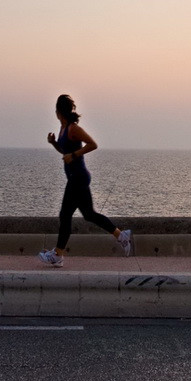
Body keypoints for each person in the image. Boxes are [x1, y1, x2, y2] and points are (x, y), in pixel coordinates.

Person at [38, 94, 131, 266]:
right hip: (76, 178)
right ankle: (121, 235)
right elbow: (64, 151)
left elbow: (92, 144)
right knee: (89, 215)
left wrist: (73, 155)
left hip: (78, 178)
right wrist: (53, 143)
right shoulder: (62, 128)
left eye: (56, 110)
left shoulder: (73, 129)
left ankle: (58, 255)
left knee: (65, 215)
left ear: (59, 111)